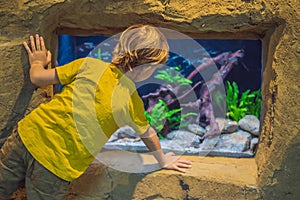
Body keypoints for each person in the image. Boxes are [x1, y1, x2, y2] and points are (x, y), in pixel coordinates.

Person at [0, 24, 192, 199]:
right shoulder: (131, 101)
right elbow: (148, 134)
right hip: (56, 165)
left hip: (26, 136)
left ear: (118, 48)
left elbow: (37, 78)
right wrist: (163, 159)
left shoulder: (88, 64)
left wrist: (36, 62)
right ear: (147, 69)